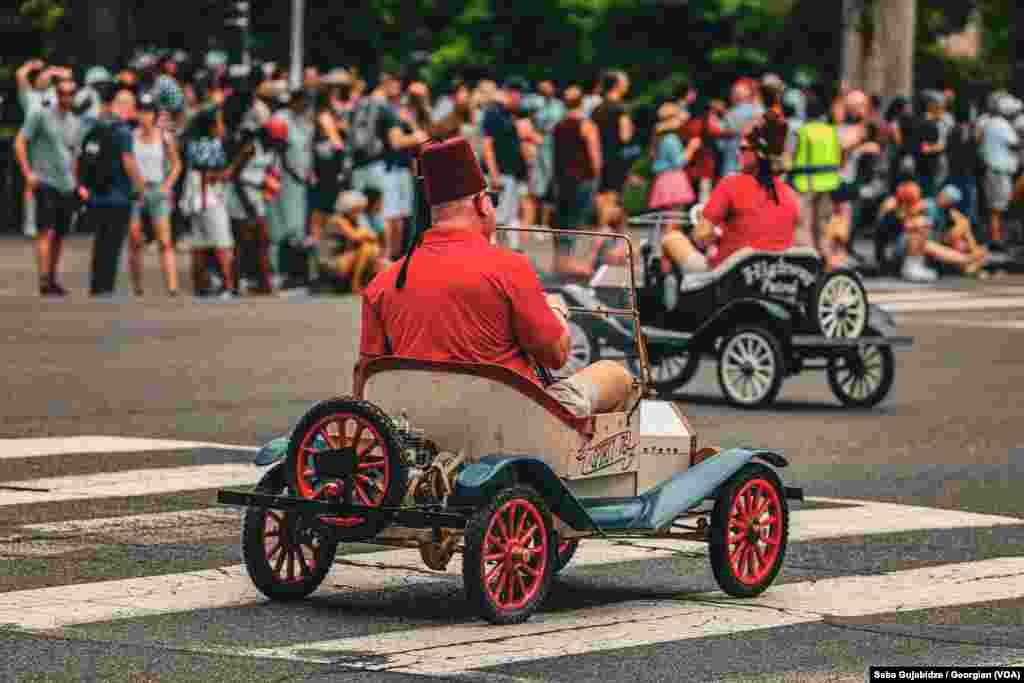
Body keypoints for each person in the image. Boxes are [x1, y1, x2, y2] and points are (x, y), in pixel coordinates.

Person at [359, 136, 634, 419]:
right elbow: (556, 356)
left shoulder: (383, 282)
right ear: (482, 204)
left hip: (418, 426)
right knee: (615, 374)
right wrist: (555, 310)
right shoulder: (509, 267)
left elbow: (368, 381)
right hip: (512, 423)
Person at [662, 117, 799, 276]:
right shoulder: (790, 194)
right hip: (774, 277)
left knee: (671, 238)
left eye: (742, 148)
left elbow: (701, 236)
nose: (737, 152)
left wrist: (710, 234)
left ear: (758, 154)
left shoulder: (731, 185)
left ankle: (670, 298)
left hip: (728, 276)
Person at [14, 76, 83, 296]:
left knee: (60, 234)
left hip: (66, 183)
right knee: (46, 231)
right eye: (62, 93)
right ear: (56, 94)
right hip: (44, 180)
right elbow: (20, 142)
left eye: (70, 94)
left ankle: (53, 278)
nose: (66, 97)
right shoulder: (40, 115)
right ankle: (44, 279)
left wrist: (77, 183)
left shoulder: (75, 122)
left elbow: (74, 155)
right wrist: (28, 173)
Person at [80, 84, 147, 297]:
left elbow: (83, 158)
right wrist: (139, 185)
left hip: (97, 194)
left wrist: (83, 186)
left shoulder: (97, 127)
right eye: (132, 105)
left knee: (100, 241)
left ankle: (96, 284)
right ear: (124, 106)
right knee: (113, 242)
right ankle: (106, 287)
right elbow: (128, 161)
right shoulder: (123, 130)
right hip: (118, 195)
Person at [127, 94, 182, 296]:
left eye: (149, 112)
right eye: (142, 111)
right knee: (134, 238)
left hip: (157, 188)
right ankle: (137, 286)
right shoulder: (131, 136)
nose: (145, 116)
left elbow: (177, 164)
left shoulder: (164, 137)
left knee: (164, 240)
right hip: (136, 190)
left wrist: (167, 185)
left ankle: (172, 286)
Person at [551, 85, 602, 276]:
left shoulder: (558, 126)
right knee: (578, 220)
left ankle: (560, 261)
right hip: (583, 179)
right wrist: (597, 175)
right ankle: (571, 263)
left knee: (563, 220)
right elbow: (594, 155)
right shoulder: (586, 125)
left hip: (563, 180)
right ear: (581, 102)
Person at [590, 70, 634, 227]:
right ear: (617, 85)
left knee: (601, 198)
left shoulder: (597, 109)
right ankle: (603, 235)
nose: (627, 85)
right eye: (625, 82)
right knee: (612, 198)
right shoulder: (620, 109)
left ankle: (605, 232)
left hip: (599, 157)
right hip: (615, 158)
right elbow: (625, 136)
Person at [321, 190, 386, 294]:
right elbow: (355, 236)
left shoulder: (355, 219)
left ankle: (365, 282)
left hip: (346, 256)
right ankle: (355, 284)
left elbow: (372, 236)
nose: (359, 213)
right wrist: (366, 234)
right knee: (367, 249)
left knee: (373, 250)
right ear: (348, 208)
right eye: (357, 210)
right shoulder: (337, 220)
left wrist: (367, 235)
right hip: (332, 260)